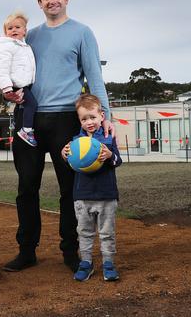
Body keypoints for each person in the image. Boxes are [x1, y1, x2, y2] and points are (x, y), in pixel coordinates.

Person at [3, 0, 115, 273]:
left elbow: (95, 77)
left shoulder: (82, 33)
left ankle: (70, 250)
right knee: (27, 186)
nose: (52, 1)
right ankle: (26, 250)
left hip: (66, 119)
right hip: (29, 118)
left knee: (70, 188)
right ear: (39, 3)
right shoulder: (29, 37)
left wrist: (106, 117)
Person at [60, 94, 121, 282]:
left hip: (106, 195)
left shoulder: (109, 138)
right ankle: (86, 263)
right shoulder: (75, 142)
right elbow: (71, 164)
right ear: (79, 120)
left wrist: (110, 155)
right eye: (84, 119)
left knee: (106, 232)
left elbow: (118, 161)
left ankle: (108, 263)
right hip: (82, 196)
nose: (89, 122)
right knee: (84, 232)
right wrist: (64, 155)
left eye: (92, 117)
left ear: (102, 116)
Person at [0, 10, 37, 146]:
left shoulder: (23, 46)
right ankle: (26, 130)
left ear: (25, 31)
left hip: (22, 83)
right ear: (5, 32)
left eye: (17, 27)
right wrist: (6, 88)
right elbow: (1, 68)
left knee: (25, 105)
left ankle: (20, 124)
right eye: (10, 28)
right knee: (32, 104)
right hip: (16, 84)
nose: (14, 30)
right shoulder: (5, 46)